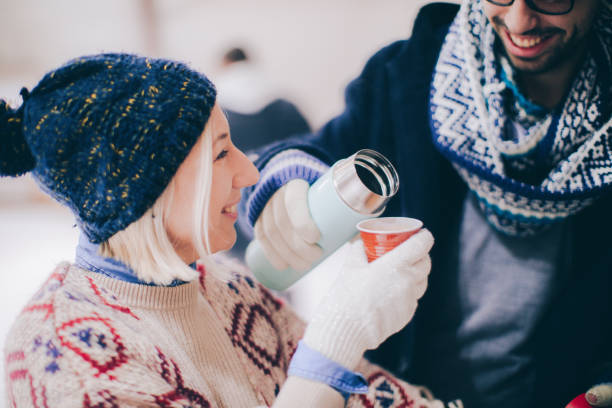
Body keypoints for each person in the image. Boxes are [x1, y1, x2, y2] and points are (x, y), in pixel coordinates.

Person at [0, 53, 454, 407]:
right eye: (220, 154)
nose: (249, 173)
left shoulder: (229, 288)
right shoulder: (58, 353)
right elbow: (328, 369)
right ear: (145, 191)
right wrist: (336, 341)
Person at [239, 0, 612, 407]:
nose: (520, 20)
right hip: (401, 391)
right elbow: (313, 153)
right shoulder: (408, 74)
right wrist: (286, 178)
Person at [214, 47, 311, 260]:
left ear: (224, 65)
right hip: (286, 208)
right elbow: (310, 148)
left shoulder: (216, 110)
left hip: (235, 212)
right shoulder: (285, 106)